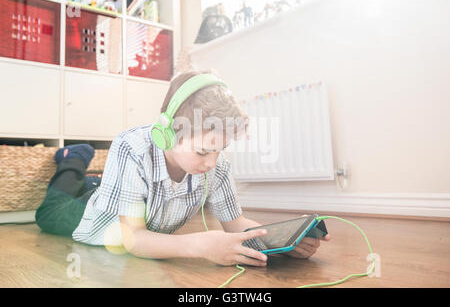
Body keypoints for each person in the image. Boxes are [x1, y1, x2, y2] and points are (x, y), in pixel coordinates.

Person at [35, 70, 329, 267]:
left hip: (133, 202)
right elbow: (132, 237)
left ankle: (92, 179)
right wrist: (197, 246)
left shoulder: (216, 165)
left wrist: (281, 239)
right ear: (168, 134)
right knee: (48, 213)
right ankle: (73, 158)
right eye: (203, 151)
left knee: (92, 188)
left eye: (219, 150)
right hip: (99, 217)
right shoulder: (131, 147)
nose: (212, 162)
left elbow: (235, 223)